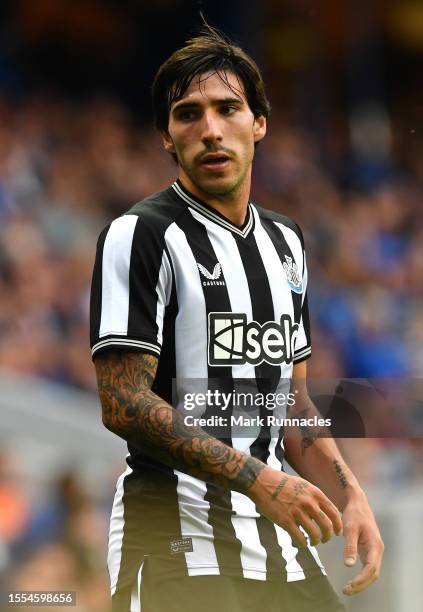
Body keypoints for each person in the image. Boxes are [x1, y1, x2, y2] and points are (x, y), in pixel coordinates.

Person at [90, 25, 384, 612]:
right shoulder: (142, 235)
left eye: (228, 108)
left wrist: (352, 494)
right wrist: (260, 479)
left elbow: (291, 402)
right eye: (187, 114)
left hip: (278, 545)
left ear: (259, 124)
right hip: (177, 542)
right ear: (167, 139)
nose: (210, 129)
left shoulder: (287, 242)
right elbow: (122, 399)